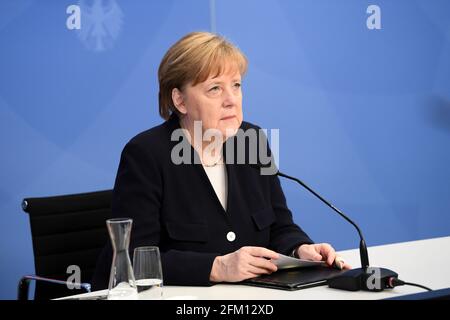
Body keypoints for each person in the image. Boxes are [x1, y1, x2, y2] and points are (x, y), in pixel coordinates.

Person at [92, 31, 350, 289]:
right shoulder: (147, 154)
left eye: (236, 86)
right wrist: (217, 267)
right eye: (215, 88)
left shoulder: (251, 140)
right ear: (180, 101)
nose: (231, 101)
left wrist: (300, 250)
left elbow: (280, 227)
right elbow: (136, 258)